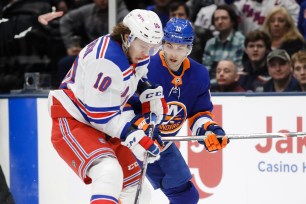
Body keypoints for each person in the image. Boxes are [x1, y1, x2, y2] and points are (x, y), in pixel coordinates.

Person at [48, 9, 168, 204]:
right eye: (144, 46)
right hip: (74, 120)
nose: (147, 53)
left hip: (102, 124)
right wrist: (134, 135)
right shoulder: (105, 61)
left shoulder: (134, 50)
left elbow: (132, 78)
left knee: (138, 192)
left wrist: (147, 92)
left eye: (153, 48)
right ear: (128, 37)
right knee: (108, 172)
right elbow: (100, 115)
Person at [136, 18, 229, 204]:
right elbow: (126, 107)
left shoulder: (199, 74)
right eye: (169, 45)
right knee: (129, 195)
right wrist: (141, 128)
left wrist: (209, 131)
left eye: (180, 47)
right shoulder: (144, 68)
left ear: (189, 49)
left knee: (186, 197)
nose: (174, 53)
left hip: (164, 144)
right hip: (132, 141)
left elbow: (199, 113)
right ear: (162, 43)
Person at [202, 4, 245, 84]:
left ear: (232, 21)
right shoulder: (210, 43)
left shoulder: (241, 41)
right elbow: (206, 70)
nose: (220, 22)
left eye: (224, 18)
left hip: (234, 85)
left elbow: (238, 70)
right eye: (216, 19)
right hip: (212, 87)